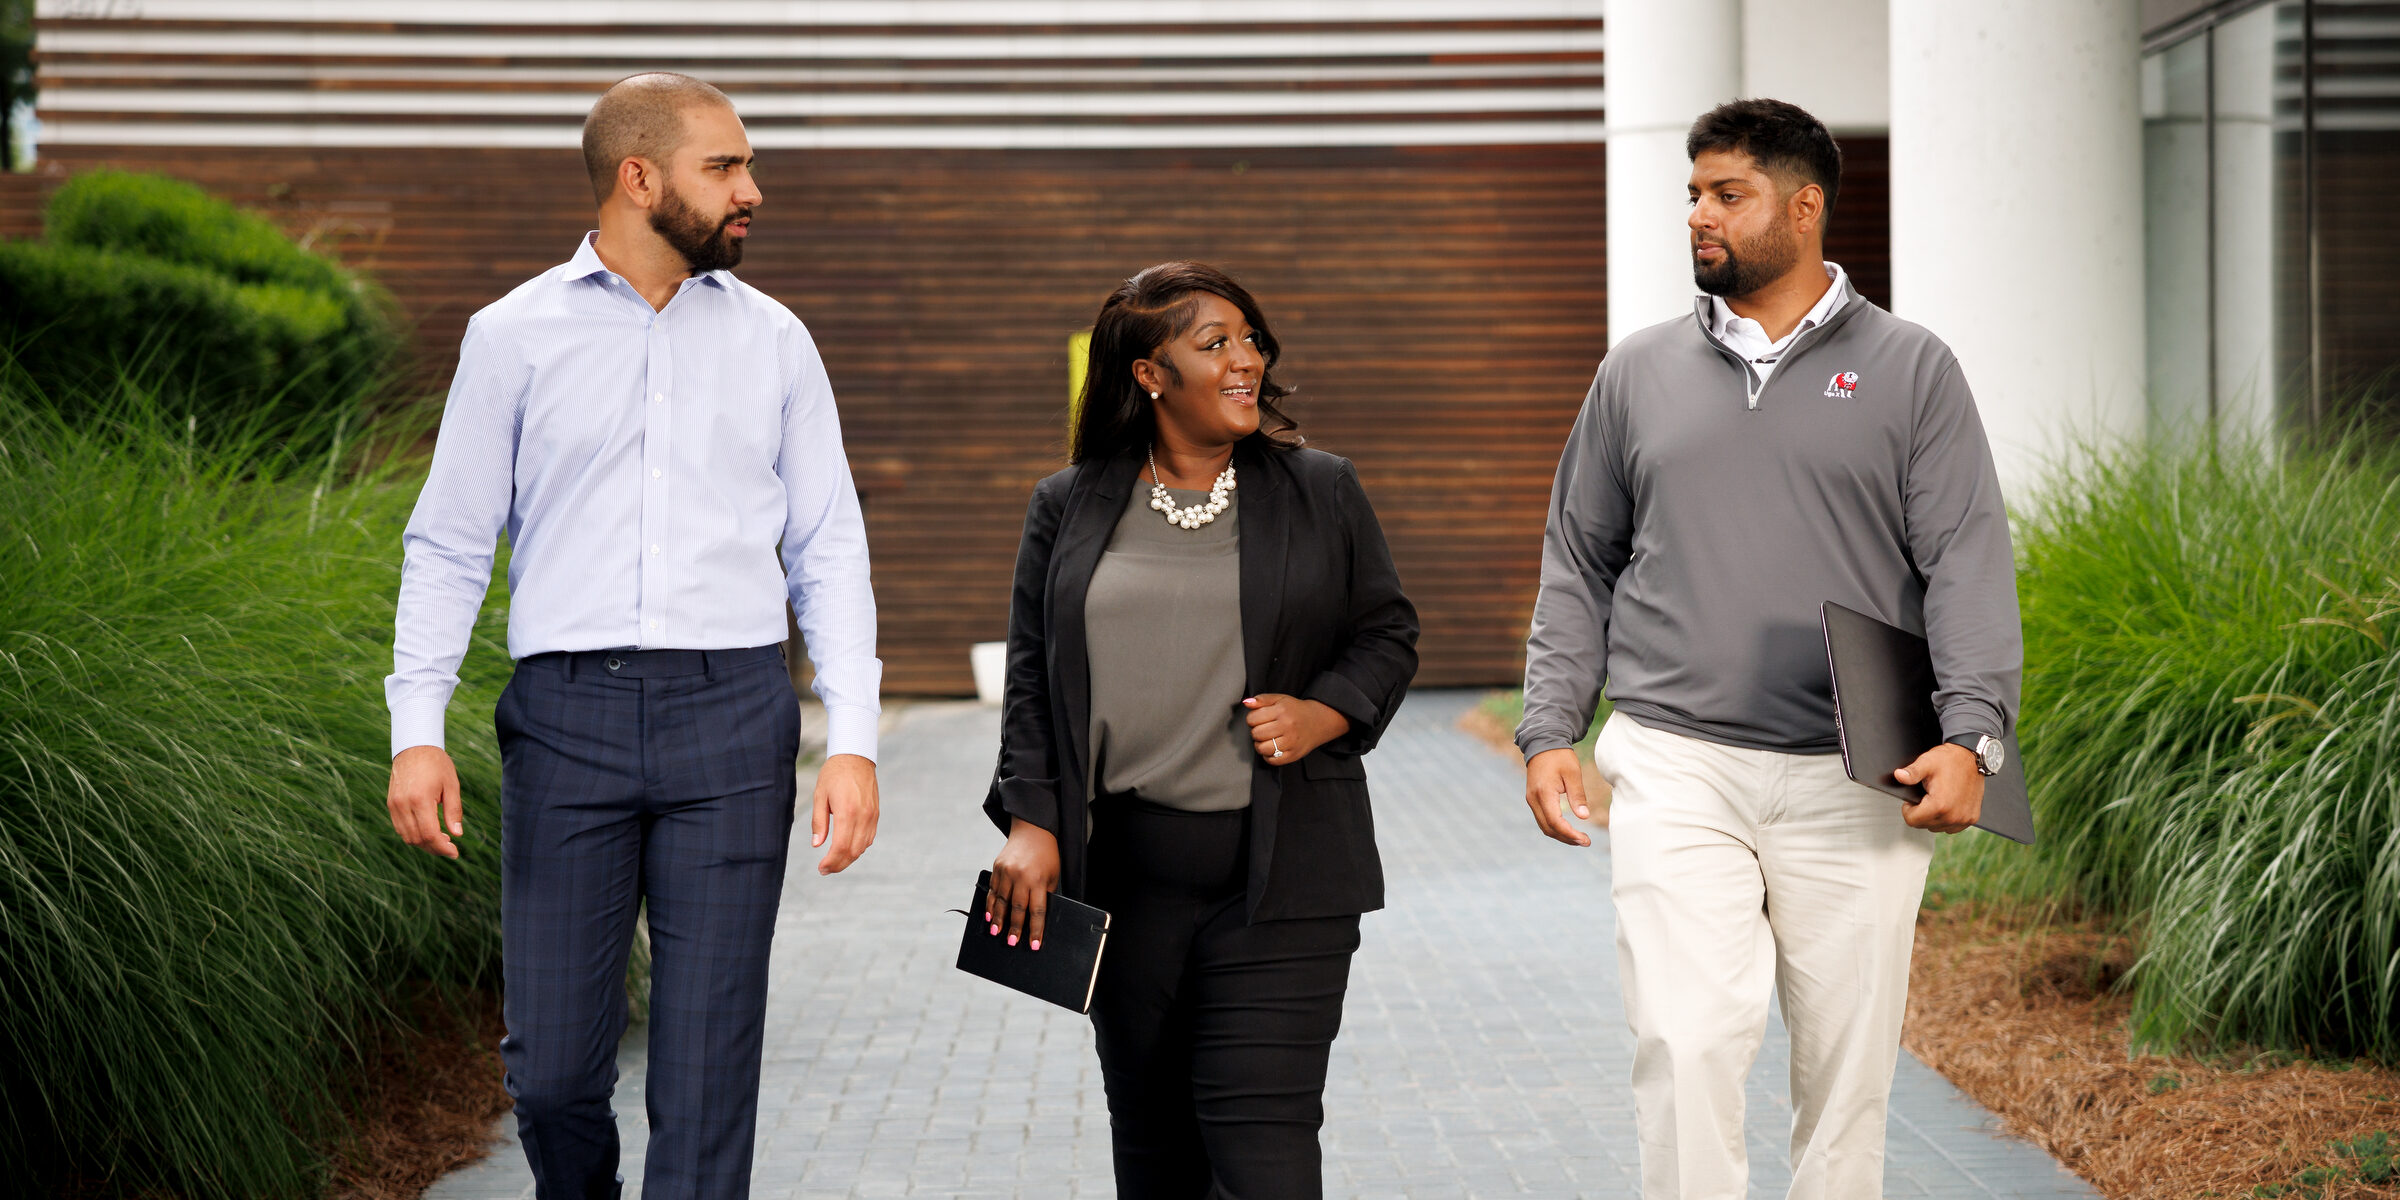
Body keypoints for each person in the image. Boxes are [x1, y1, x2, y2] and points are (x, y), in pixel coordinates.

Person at [382, 73, 882, 1200]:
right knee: (554, 1071)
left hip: (733, 714)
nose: (751, 190)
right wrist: (417, 727)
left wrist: (852, 736)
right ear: (638, 178)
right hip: (567, 719)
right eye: (726, 168)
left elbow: (829, 551)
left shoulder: (777, 342)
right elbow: (451, 543)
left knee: (707, 1075)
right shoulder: (511, 337)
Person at [1515, 98, 2021, 1200]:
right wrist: (1550, 726)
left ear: (1804, 208)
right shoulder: (1637, 373)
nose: (1699, 214)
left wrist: (1973, 735)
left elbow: (1966, 563)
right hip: (1675, 755)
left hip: (1856, 766)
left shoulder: (1911, 369)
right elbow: (1578, 559)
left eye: (1726, 194)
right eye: (1693, 193)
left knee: (1846, 1077)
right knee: (1686, 1041)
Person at [981, 262, 1419, 1198]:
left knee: (1265, 1164)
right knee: (1155, 1158)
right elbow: (1031, 680)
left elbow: (1387, 632)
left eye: (1251, 339)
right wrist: (1031, 821)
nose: (1245, 360)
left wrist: (1324, 711)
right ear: (1149, 372)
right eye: (1214, 343)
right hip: (1126, 886)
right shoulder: (1068, 504)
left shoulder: (1320, 490)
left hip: (1284, 881)